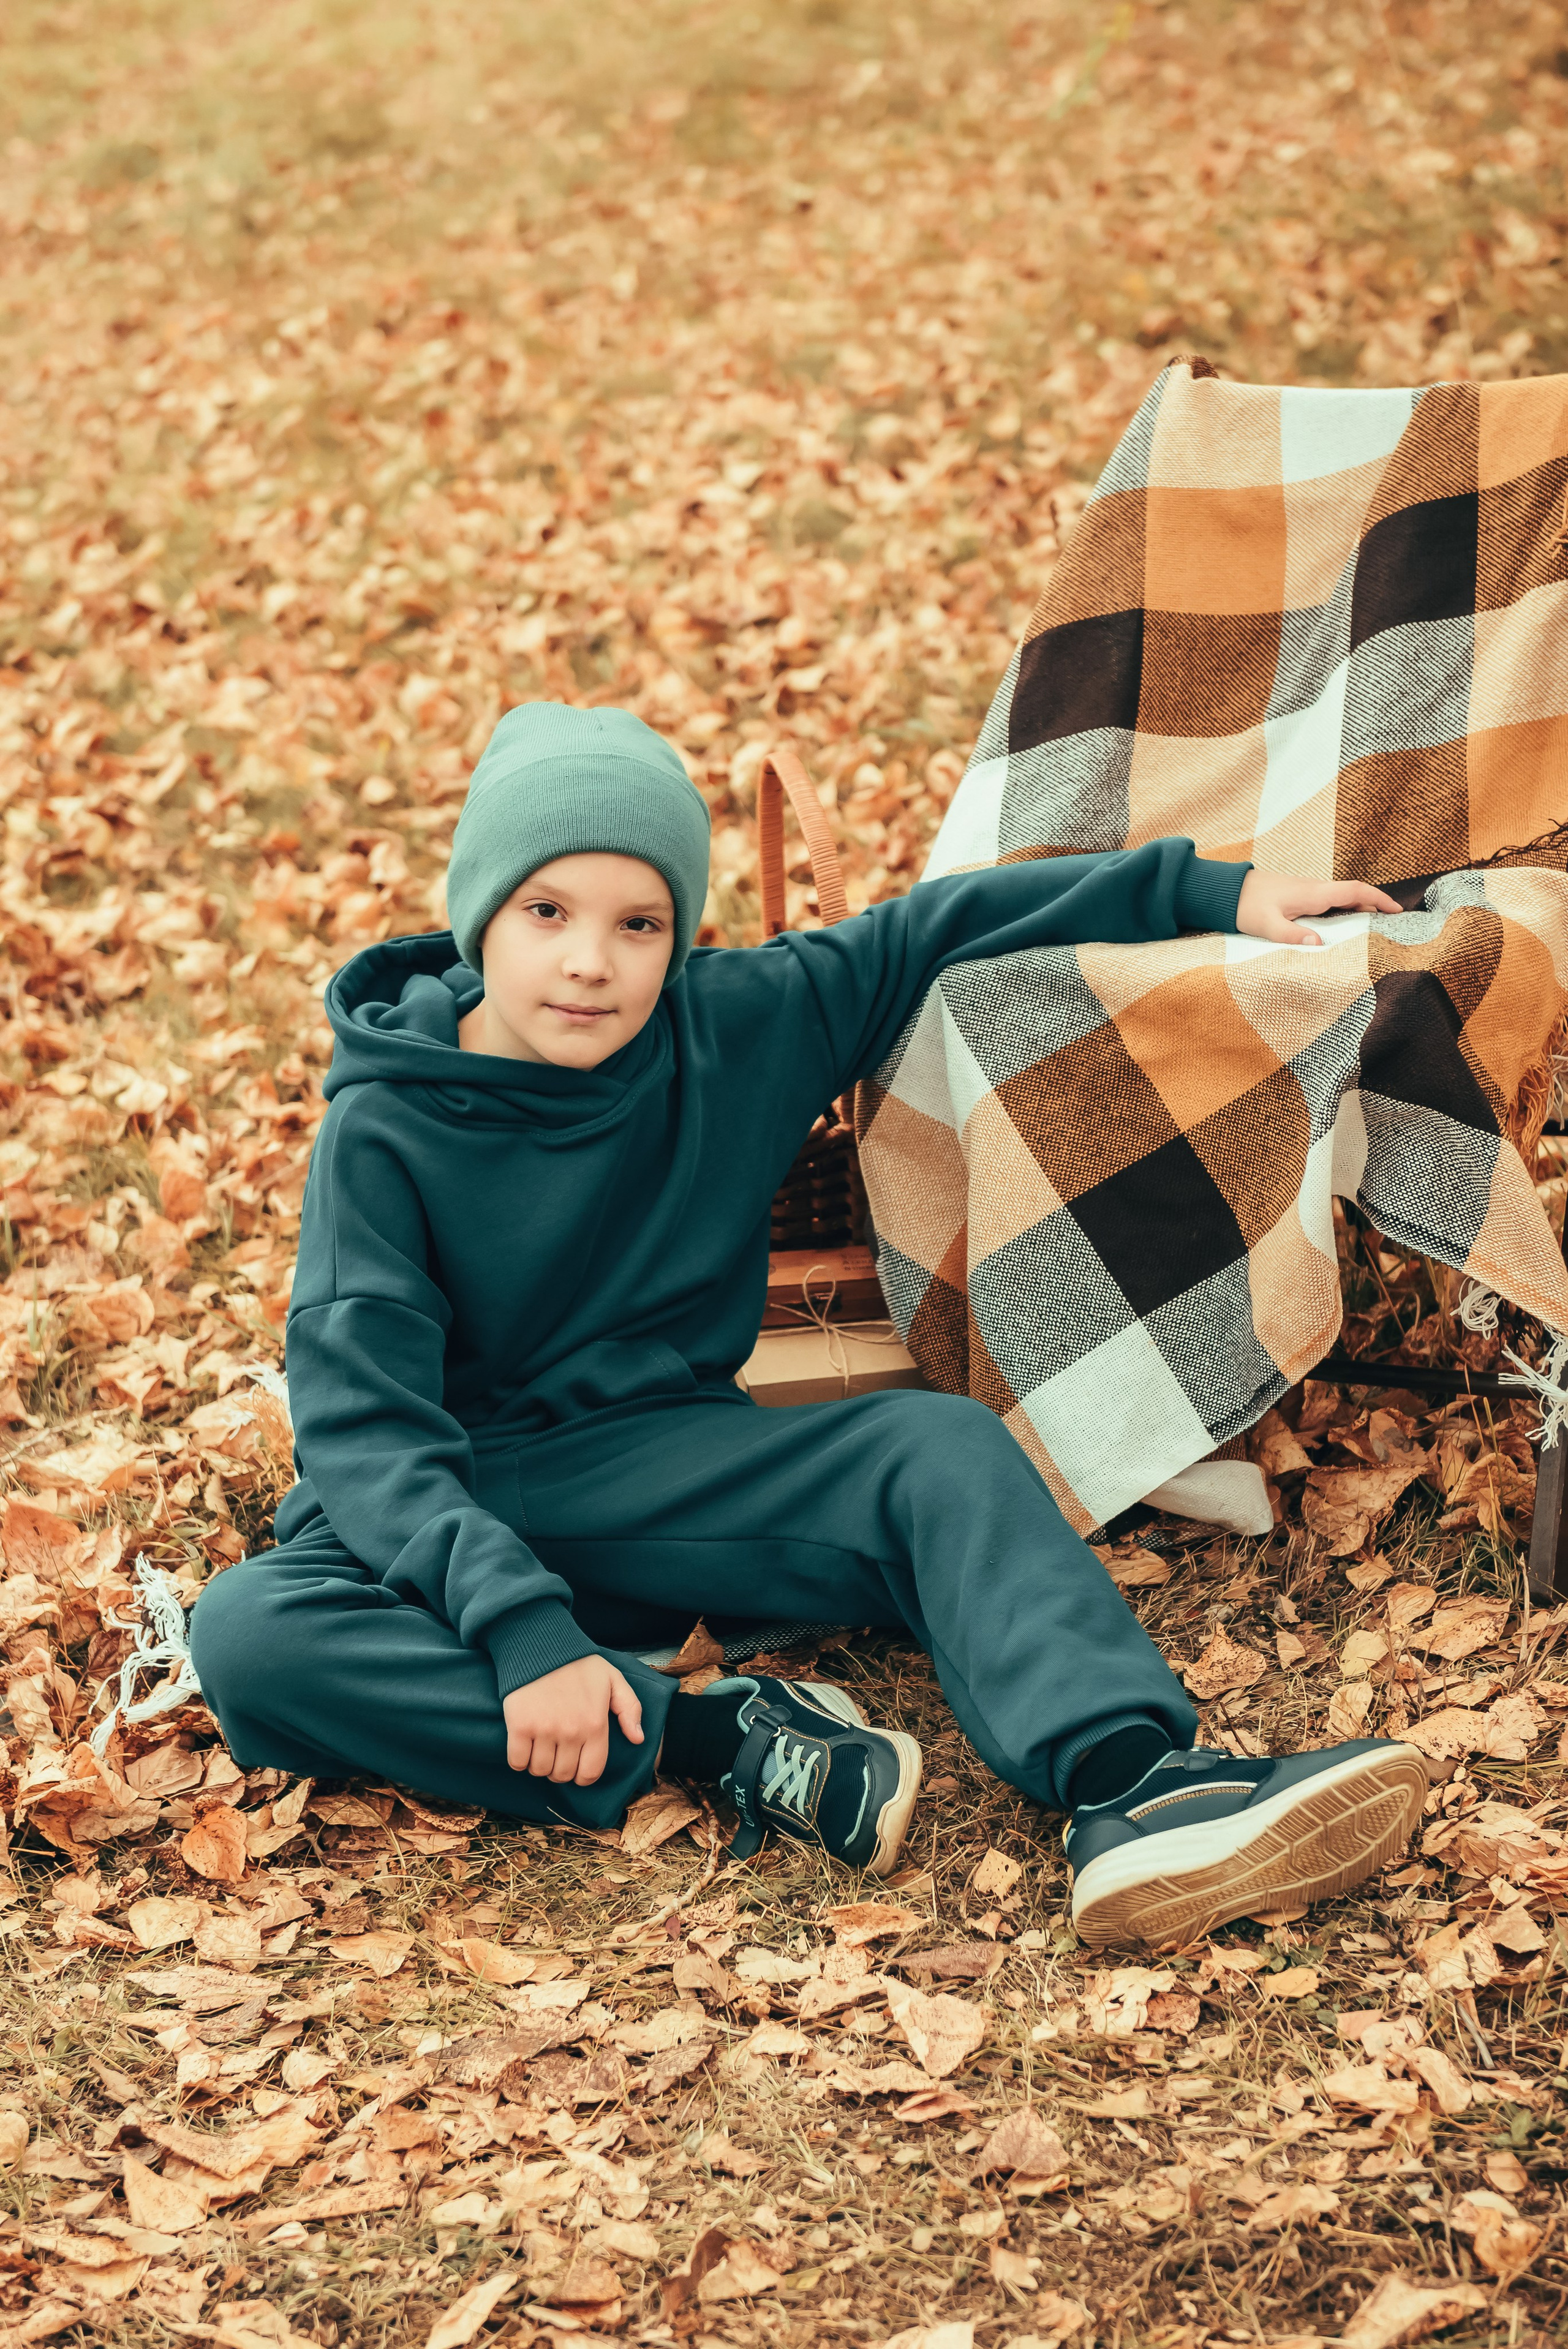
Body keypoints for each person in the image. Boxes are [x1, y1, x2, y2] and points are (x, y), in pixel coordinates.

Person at [191, 703, 1428, 1948]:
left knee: (933, 1449)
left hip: (666, 1468)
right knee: (248, 1634)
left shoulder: (730, 1024)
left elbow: (930, 930)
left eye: (638, 923)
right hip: (457, 1493)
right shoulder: (387, 1127)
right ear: (481, 916)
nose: (588, 962)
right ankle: (712, 1737)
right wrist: (519, 1631)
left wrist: (1212, 889)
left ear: (678, 933)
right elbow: (363, 1436)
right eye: (545, 913)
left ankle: (1132, 1786)